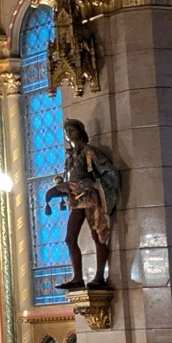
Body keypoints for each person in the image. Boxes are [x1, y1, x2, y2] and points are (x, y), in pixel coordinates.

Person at [46, 119, 121, 289]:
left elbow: (109, 172)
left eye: (72, 130)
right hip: (75, 200)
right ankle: (77, 278)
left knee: (97, 236)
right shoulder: (71, 156)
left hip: (89, 198)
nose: (69, 134)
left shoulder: (90, 152)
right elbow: (71, 180)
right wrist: (59, 189)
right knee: (70, 239)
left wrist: (94, 184)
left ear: (80, 131)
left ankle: (99, 276)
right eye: (66, 131)